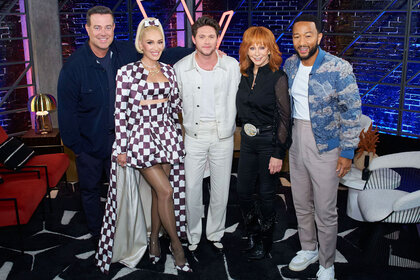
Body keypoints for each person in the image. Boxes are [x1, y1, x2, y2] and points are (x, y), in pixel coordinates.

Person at [57, 6, 192, 246]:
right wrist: (77, 147)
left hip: (124, 137)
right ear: (87, 29)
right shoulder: (74, 67)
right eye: (97, 27)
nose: (103, 32)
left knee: (122, 193)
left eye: (108, 27)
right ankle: (99, 237)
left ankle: (125, 236)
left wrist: (201, 50)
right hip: (90, 142)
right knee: (90, 191)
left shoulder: (123, 51)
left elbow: (159, 52)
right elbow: (66, 112)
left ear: (113, 28)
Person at [95, 17, 191, 274]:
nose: (156, 47)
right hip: (141, 138)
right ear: (141, 44)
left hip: (167, 135)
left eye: (160, 42)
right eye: (150, 42)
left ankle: (153, 242)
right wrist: (123, 147)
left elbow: (175, 107)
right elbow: (120, 112)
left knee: (160, 194)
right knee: (167, 191)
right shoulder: (127, 72)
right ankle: (176, 245)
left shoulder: (169, 70)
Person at [284, 14, 361, 280]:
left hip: (327, 145)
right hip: (297, 140)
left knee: (326, 208)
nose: (302, 41)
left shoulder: (339, 68)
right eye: (296, 36)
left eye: (308, 35)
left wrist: (347, 152)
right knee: (301, 202)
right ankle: (308, 249)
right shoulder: (290, 65)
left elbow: (352, 112)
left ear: (319, 37)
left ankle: (327, 263)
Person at [174, 16, 240, 253]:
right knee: (191, 188)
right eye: (201, 36)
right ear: (193, 39)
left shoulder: (231, 65)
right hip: (193, 135)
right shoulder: (181, 68)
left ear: (217, 38)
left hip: (223, 135)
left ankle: (214, 233)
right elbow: (173, 104)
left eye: (211, 36)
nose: (206, 41)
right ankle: (192, 234)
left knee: (221, 188)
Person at [236, 26, 291, 260]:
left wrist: (278, 153)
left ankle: (266, 241)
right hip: (247, 142)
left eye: (262, 47)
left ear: (270, 50)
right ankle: (253, 232)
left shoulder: (278, 76)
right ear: (246, 50)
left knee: (267, 194)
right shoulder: (244, 74)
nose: (257, 52)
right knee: (242, 191)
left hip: (269, 142)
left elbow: (284, 117)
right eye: (252, 47)